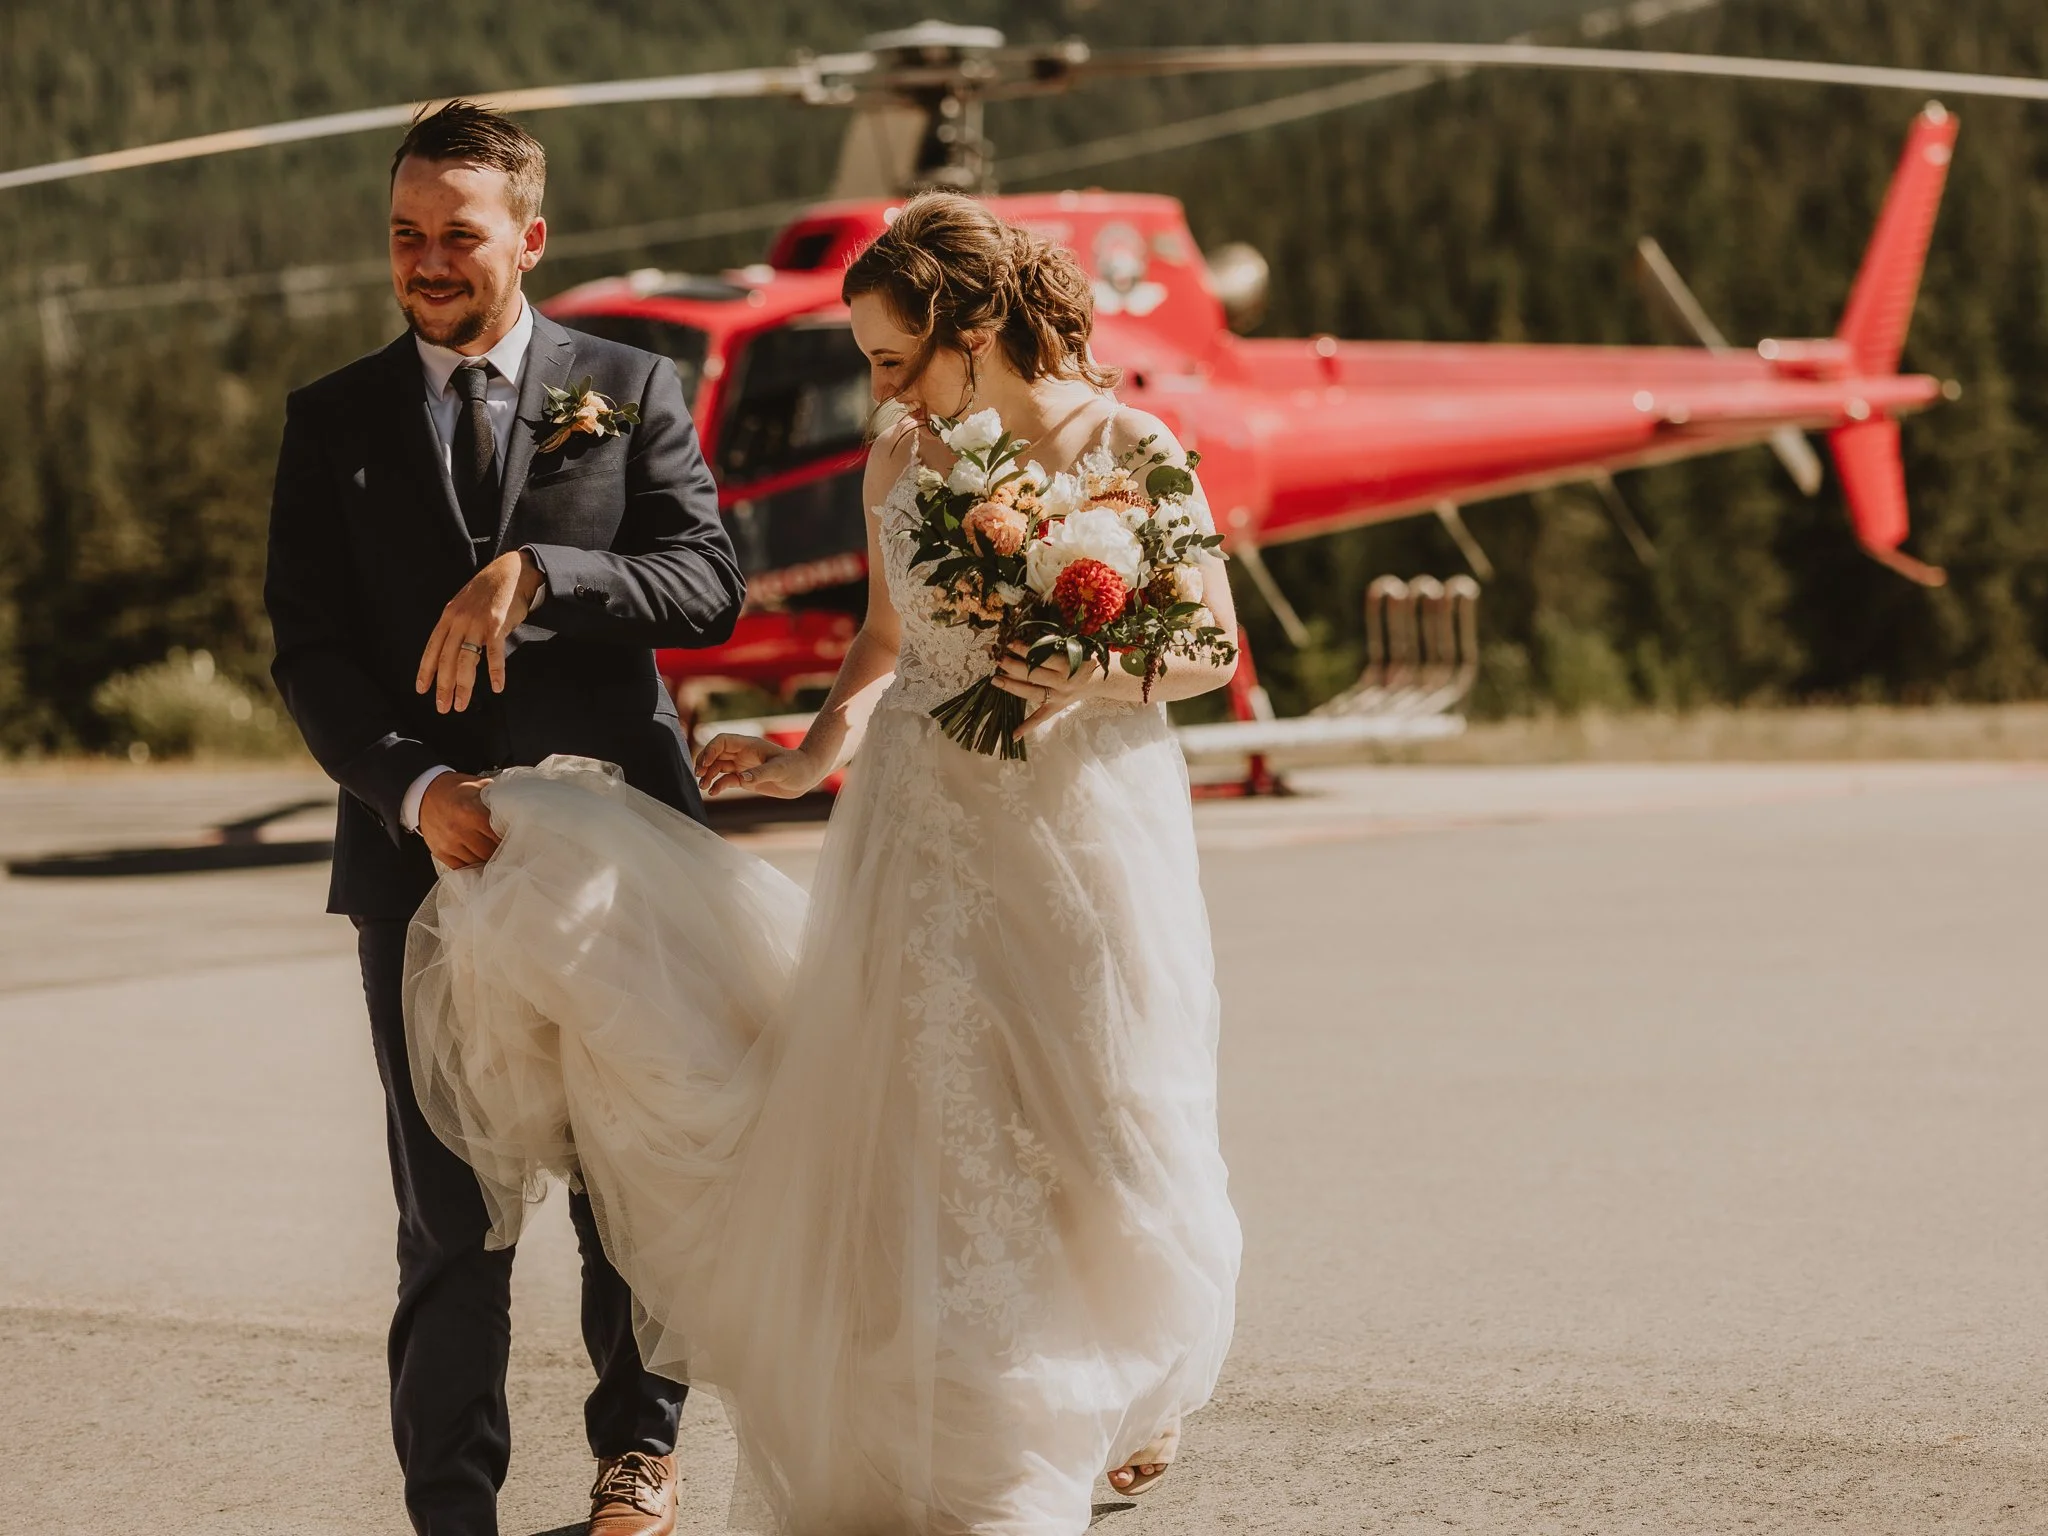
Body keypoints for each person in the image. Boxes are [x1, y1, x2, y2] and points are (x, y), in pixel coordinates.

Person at [405, 190, 1241, 1534]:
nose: (880, 387)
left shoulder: (1132, 447)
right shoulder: (901, 459)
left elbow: (1208, 644)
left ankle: (1127, 1370)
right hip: (917, 822)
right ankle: (985, 1425)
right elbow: (882, 646)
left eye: (894, 357)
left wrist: (1084, 664)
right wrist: (811, 752)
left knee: (1102, 1106)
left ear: (975, 328)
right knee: (933, 1128)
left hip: (1086, 822)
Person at [263, 101, 744, 1536]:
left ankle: (635, 1459)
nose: (425, 261)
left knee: (625, 1183)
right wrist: (418, 790)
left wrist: (545, 570)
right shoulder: (331, 419)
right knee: (450, 1218)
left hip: (617, 868)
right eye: (404, 234)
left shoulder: (633, 386)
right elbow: (310, 650)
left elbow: (707, 582)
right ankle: (451, 1508)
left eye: (456, 236)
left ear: (529, 238)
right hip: (424, 866)